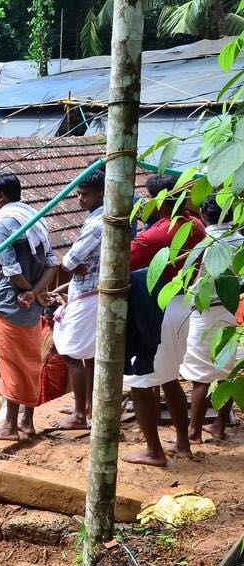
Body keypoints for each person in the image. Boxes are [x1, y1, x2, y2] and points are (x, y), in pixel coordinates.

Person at [122, 172, 205, 466]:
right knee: (169, 378)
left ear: (158, 200)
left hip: (160, 310)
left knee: (141, 380)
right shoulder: (195, 224)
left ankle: (154, 451)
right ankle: (183, 444)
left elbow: (122, 259)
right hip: (184, 306)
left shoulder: (158, 233)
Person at [0, 173, 58, 441]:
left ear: (2, 196)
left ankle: (9, 427)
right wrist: (37, 294)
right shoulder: (36, 219)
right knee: (29, 363)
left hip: (10, 303)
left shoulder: (4, 224)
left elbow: (12, 270)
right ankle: (26, 421)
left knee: (10, 364)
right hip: (31, 306)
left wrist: (29, 292)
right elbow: (51, 264)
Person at [47, 169, 105, 430]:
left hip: (88, 294)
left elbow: (70, 260)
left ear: (101, 193)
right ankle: (89, 407)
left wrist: (71, 264)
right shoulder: (101, 217)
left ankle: (80, 415)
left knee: (70, 353)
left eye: (85, 195)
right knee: (90, 354)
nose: (80, 199)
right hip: (92, 290)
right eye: (79, 194)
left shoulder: (96, 223)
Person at [180, 197, 242, 443]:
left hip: (205, 311)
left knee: (200, 376)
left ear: (204, 215)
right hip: (230, 309)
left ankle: (194, 431)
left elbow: (190, 279)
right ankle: (219, 425)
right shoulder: (241, 241)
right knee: (226, 371)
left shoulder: (202, 244)